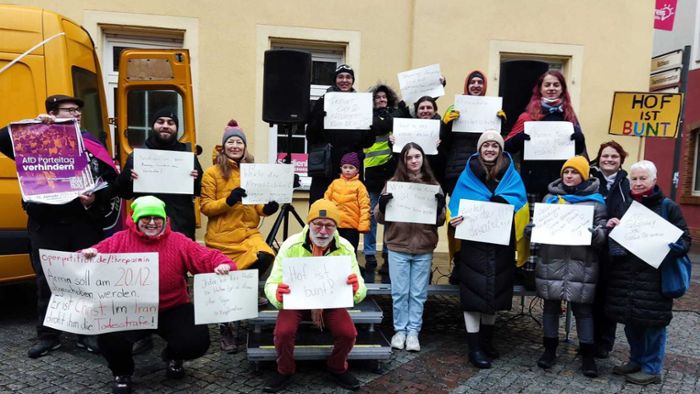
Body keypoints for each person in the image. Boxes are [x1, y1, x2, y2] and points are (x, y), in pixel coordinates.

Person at [0, 94, 118, 358]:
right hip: (47, 224)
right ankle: (48, 335)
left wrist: (96, 197)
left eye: (78, 111)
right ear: (53, 113)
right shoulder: (36, 138)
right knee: (46, 281)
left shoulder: (88, 141)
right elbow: (1, 138)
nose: (76, 115)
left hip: (84, 223)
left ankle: (86, 333)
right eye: (69, 110)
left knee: (85, 278)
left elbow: (112, 179)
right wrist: (33, 124)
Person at [81, 196, 236, 394]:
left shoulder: (179, 241)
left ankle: (172, 355)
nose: (152, 222)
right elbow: (83, 259)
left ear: (164, 219)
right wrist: (88, 255)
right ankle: (122, 372)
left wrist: (223, 265)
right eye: (146, 218)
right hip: (131, 309)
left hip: (173, 307)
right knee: (109, 336)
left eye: (157, 217)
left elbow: (208, 256)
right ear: (135, 219)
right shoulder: (119, 240)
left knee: (196, 342)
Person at [263, 199, 367, 393]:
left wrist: (355, 289)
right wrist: (277, 293)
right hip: (295, 301)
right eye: (317, 224)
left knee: (348, 333)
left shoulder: (345, 247)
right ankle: (284, 369)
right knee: (283, 332)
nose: (322, 231)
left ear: (336, 227)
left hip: (330, 301)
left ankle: (337, 366)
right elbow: (271, 282)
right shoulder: (291, 245)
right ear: (309, 223)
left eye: (329, 225)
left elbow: (360, 283)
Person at [605, 160, 691, 385]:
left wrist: (676, 247)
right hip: (628, 275)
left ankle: (652, 369)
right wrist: (614, 228)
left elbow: (685, 240)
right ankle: (636, 361)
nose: (638, 182)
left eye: (643, 178)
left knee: (653, 324)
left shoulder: (667, 206)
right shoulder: (626, 205)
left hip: (655, 277)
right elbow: (618, 243)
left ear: (654, 180)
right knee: (632, 321)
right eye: (634, 178)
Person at [448, 130, 528, 369]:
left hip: (501, 244)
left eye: (495, 145)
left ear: (501, 149)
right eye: (486, 145)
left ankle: (487, 341)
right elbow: (455, 206)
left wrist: (508, 204)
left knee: (494, 293)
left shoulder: (512, 176)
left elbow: (521, 204)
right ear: (479, 149)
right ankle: (474, 348)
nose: (490, 149)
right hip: (473, 246)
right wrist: (454, 220)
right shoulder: (468, 174)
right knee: (473, 295)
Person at [200, 120, 279, 352]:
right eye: (231, 142)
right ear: (224, 146)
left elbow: (258, 207)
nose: (235, 145)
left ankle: (246, 295)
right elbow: (205, 206)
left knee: (266, 255)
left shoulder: (251, 171)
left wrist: (268, 209)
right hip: (222, 237)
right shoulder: (212, 173)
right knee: (229, 279)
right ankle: (227, 328)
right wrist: (229, 200)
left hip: (249, 233)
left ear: (244, 146)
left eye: (239, 142)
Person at [528, 156, 607, 377]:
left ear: (583, 175)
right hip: (552, 260)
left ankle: (588, 356)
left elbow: (603, 232)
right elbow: (539, 226)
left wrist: (597, 234)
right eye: (566, 172)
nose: (569, 176)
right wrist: (530, 230)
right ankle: (549, 350)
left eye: (574, 172)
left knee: (583, 310)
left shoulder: (596, 202)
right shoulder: (550, 198)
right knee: (551, 308)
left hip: (582, 263)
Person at [375, 142, 446, 353]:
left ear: (423, 159)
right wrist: (383, 204)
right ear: (403, 161)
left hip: (423, 247)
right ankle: (400, 330)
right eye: (409, 157)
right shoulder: (393, 183)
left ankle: (413, 331)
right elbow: (378, 217)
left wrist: (440, 208)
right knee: (399, 292)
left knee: (418, 293)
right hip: (398, 245)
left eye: (417, 156)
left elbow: (440, 220)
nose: (414, 161)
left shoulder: (433, 184)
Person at [439, 71, 507, 279]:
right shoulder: (454, 108)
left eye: (480, 82)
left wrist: (502, 124)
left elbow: (500, 144)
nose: (476, 85)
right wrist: (446, 124)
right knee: (457, 218)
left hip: (485, 172)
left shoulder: (493, 109)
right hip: (457, 172)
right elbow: (443, 142)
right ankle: (458, 262)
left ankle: (477, 263)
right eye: (472, 82)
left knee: (480, 216)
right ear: (466, 85)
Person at [114, 109, 203, 240]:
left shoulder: (187, 156)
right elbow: (123, 193)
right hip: (146, 225)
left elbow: (199, 191)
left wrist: (196, 179)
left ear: (176, 128)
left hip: (180, 225)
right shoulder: (139, 156)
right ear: (153, 126)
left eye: (170, 123)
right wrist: (128, 177)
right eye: (160, 122)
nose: (165, 126)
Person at [504, 70, 587, 200]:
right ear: (540, 89)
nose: (551, 88)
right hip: (533, 183)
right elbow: (507, 147)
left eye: (556, 85)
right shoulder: (527, 116)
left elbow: (578, 152)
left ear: (562, 89)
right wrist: (518, 140)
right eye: (547, 85)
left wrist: (579, 139)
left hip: (562, 184)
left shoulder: (569, 116)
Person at [306, 64, 374, 204]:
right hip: (327, 165)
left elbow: (367, 142)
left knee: (350, 208)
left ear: (353, 80)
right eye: (340, 77)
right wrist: (319, 119)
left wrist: (371, 129)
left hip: (351, 164)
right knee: (322, 205)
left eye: (348, 77)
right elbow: (311, 136)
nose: (344, 80)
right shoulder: (322, 101)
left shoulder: (361, 104)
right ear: (335, 79)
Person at [589, 141, 630, 358]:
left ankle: (605, 343)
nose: (609, 160)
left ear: (621, 160)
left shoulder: (627, 184)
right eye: (605, 156)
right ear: (599, 158)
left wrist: (622, 222)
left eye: (614, 156)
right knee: (590, 296)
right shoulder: (590, 180)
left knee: (609, 296)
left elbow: (633, 212)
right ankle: (589, 340)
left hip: (614, 249)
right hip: (592, 247)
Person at [362, 83, 399, 282]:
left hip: (391, 170)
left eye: (384, 97)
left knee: (389, 214)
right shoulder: (369, 118)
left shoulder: (396, 116)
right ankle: (369, 253)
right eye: (378, 98)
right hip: (373, 171)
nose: (381, 100)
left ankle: (387, 251)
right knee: (371, 215)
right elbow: (380, 127)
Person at [323, 152, 370, 253]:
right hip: (335, 224)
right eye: (345, 167)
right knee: (334, 251)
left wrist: (363, 225)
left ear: (357, 170)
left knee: (350, 251)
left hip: (351, 227)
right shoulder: (335, 183)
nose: (347, 170)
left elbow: (364, 206)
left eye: (351, 167)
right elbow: (326, 201)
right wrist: (325, 219)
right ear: (341, 168)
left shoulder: (360, 186)